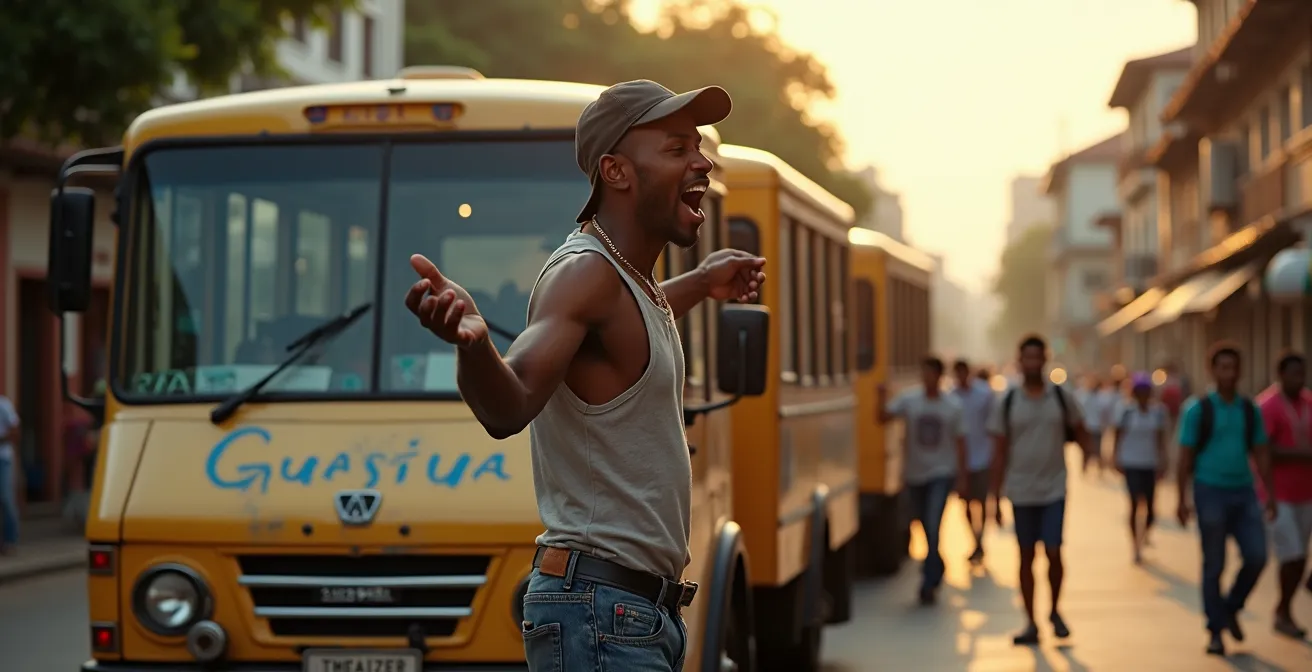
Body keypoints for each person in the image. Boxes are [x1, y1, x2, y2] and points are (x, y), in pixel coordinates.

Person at [404, 79, 765, 672]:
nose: (702, 162)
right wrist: (471, 345)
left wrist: (700, 282)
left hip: (629, 614)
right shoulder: (584, 275)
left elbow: (629, 334)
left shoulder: (627, 282)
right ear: (617, 172)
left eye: (697, 147)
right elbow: (509, 404)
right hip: (601, 613)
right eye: (677, 149)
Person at [988, 334, 1088, 645]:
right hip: (1021, 490)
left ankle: (1055, 610)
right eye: (1026, 359)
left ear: (1044, 361)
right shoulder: (1008, 402)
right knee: (1026, 555)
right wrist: (995, 496)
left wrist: (1090, 460)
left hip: (1054, 487)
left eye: (1036, 358)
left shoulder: (1060, 397)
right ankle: (1030, 621)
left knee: (1054, 551)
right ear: (1020, 362)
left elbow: (1081, 428)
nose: (1032, 364)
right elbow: (1000, 451)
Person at [1176, 342, 1276, 656]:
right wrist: (1181, 498)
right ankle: (1215, 629)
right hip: (1210, 491)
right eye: (1222, 367)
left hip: (1244, 491)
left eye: (1233, 367)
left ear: (1239, 371)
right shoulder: (1198, 409)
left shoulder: (1249, 410)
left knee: (1257, 555)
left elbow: (1260, 452)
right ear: (1212, 370)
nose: (1228, 374)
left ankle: (1231, 606)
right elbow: (1184, 455)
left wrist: (1269, 493)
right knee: (1214, 564)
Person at [879, 356, 966, 605]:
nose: (926, 378)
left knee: (932, 521)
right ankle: (935, 562)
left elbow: (961, 443)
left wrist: (962, 477)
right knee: (921, 524)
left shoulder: (952, 406)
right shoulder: (910, 400)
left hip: (941, 473)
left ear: (939, 376)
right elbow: (883, 417)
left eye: (931, 373)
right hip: (915, 474)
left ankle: (928, 581)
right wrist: (879, 396)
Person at [1254, 352, 1312, 639]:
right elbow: (1264, 450)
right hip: (1277, 494)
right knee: (1292, 555)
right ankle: (1284, 610)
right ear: (1280, 375)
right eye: (1293, 374)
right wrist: (1302, 455)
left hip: (1307, 492)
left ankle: (1285, 606)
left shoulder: (1309, 402)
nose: (1298, 380)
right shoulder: (1267, 406)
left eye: (1302, 374)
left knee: (1301, 556)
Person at [1112, 373, 1168, 564]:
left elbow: (1161, 439)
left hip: (1150, 463)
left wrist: (1163, 460)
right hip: (1131, 463)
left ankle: (1145, 533)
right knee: (1134, 504)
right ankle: (1135, 544)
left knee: (1150, 508)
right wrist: (1115, 458)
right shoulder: (1127, 411)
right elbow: (1117, 435)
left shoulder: (1157, 412)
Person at [951, 358, 997, 565]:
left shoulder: (984, 394)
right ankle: (975, 539)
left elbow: (994, 424)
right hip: (962, 460)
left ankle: (981, 538)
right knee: (967, 504)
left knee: (982, 500)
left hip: (982, 456)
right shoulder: (951, 397)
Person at [1074, 376, 1111, 476]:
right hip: (1089, 427)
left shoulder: (1100, 398)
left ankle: (1098, 469)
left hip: (1095, 427)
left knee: (1097, 449)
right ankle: (1085, 468)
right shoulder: (1086, 397)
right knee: (1088, 449)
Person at [0, 393, 20, 555]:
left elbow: (14, 430)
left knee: (6, 498)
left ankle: (10, 540)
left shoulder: (3, 404)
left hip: (3, 459)